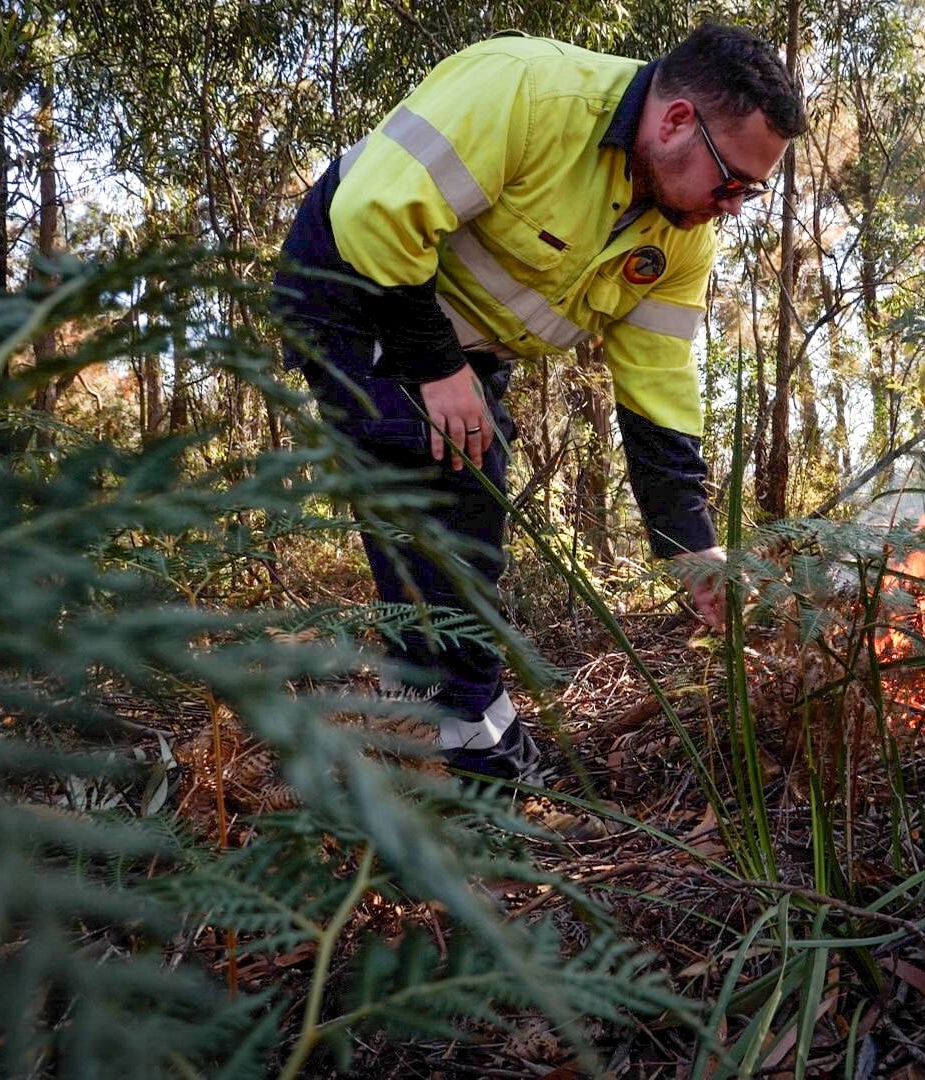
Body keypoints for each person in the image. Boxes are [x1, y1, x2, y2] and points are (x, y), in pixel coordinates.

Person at [271, 24, 807, 781]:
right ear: (676, 121)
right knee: (440, 499)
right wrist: (434, 364)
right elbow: (374, 213)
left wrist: (690, 545)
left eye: (749, 192)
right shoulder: (526, 90)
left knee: (472, 504)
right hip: (355, 287)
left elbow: (657, 380)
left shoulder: (681, 234)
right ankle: (460, 748)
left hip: (468, 345)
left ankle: (441, 727)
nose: (733, 206)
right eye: (731, 182)